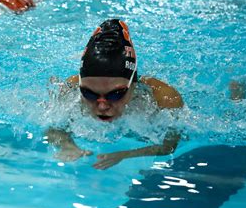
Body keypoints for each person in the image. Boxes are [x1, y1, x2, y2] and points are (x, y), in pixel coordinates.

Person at [47, 19, 184, 169]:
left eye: (115, 94)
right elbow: (53, 127)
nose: (102, 106)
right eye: (89, 93)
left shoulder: (164, 99)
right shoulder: (70, 90)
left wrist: (123, 155)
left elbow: (168, 147)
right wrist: (67, 146)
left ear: (134, 83)